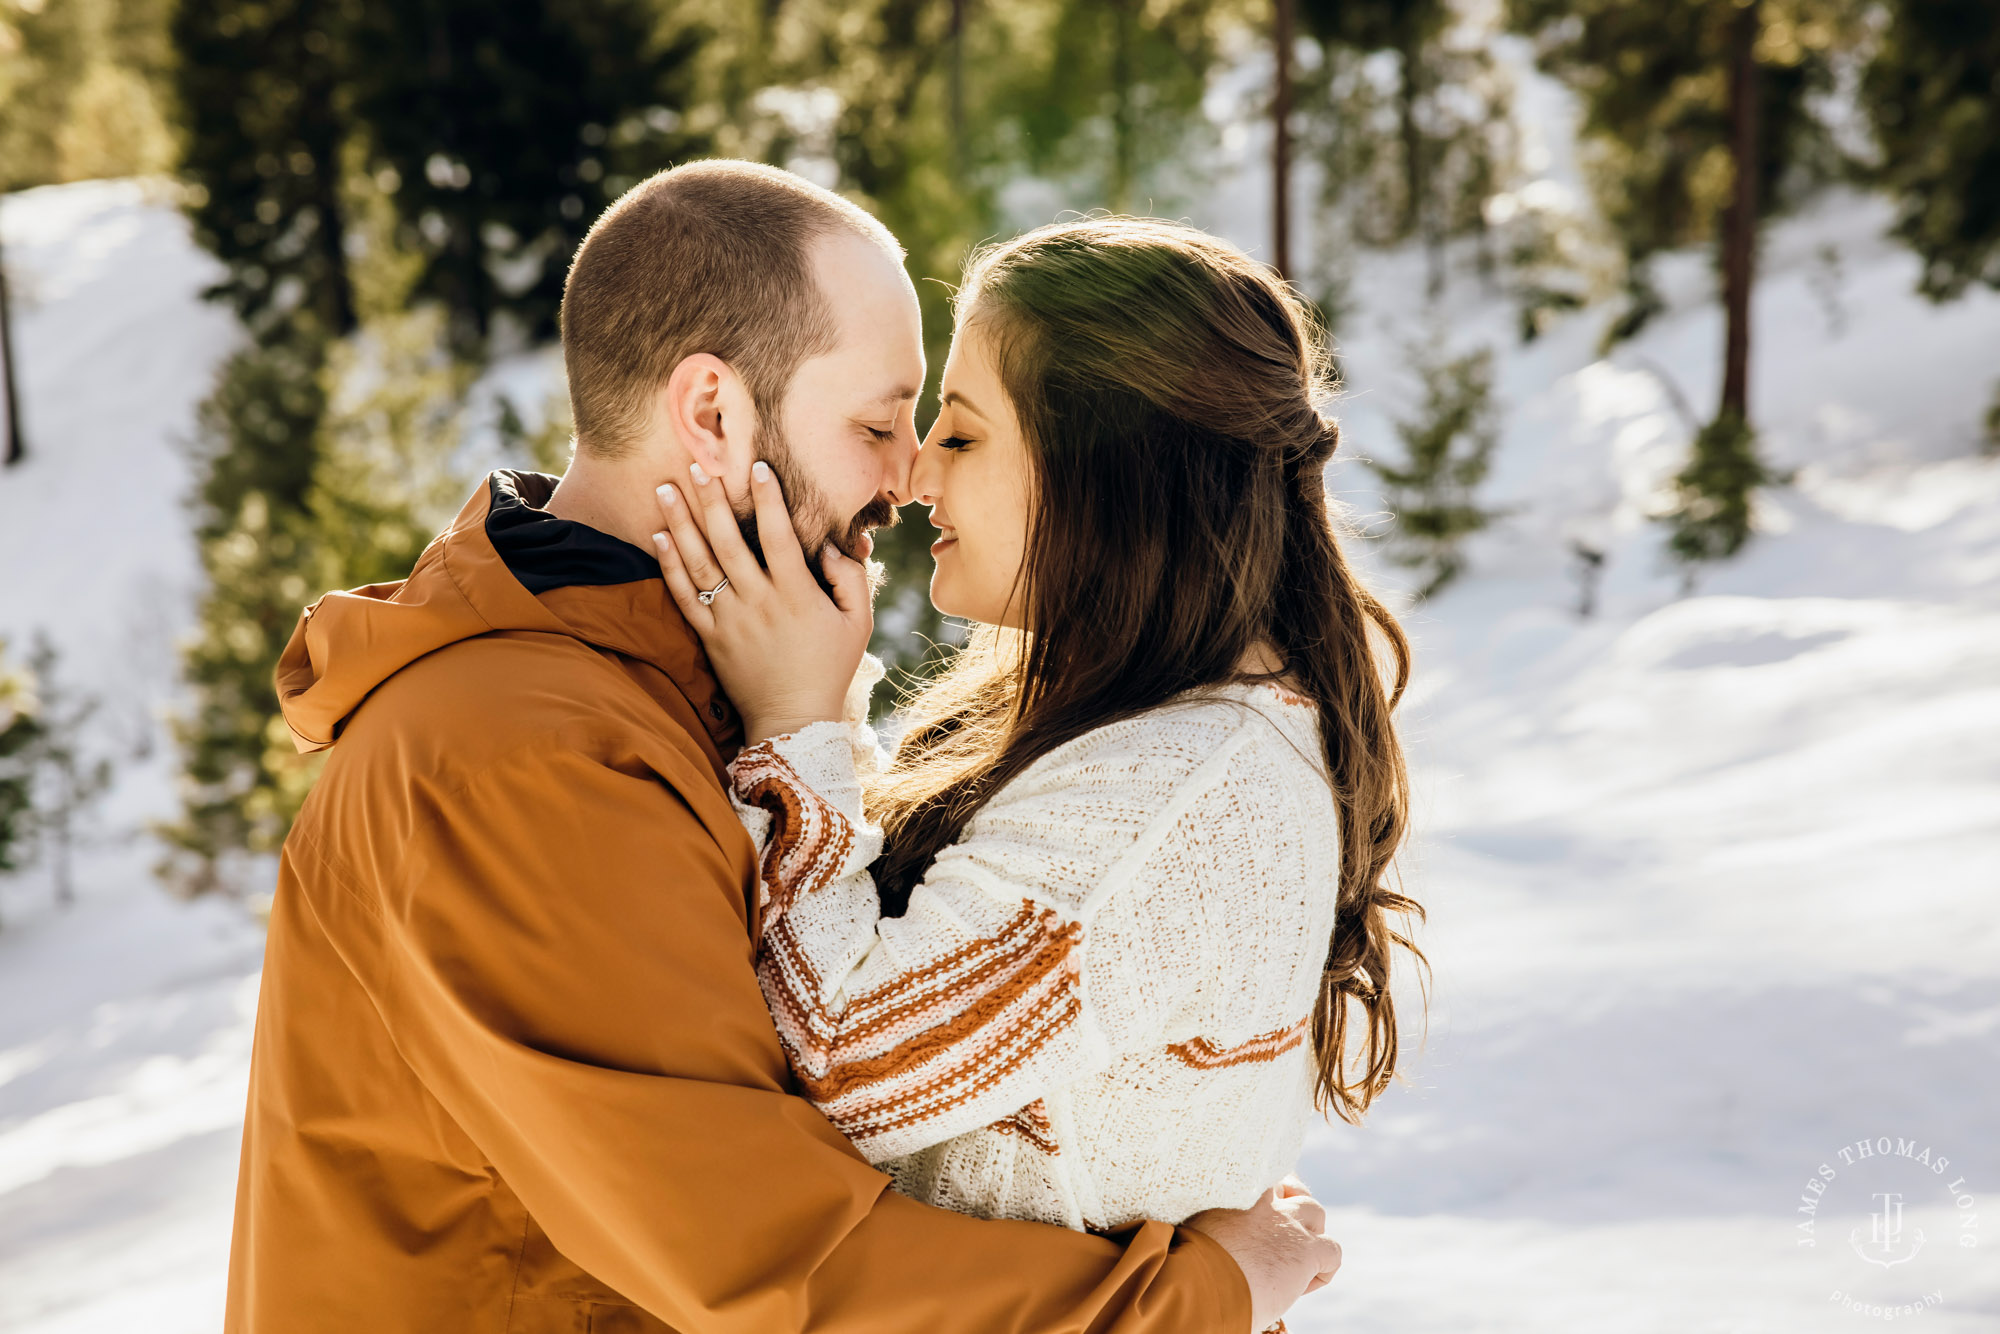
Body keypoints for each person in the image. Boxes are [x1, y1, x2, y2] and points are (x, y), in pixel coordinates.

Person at [225, 161, 1339, 1334]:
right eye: (876, 424)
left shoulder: (672, 701)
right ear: (711, 413)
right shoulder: (518, 752)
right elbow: (774, 1265)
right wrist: (1196, 1297)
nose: (905, 478)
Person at [649, 217, 1429, 1253]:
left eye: (962, 435)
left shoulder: (1178, 794)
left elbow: (839, 1060)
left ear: (1112, 469)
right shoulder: (1175, 735)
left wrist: (797, 719)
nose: (915, 477)